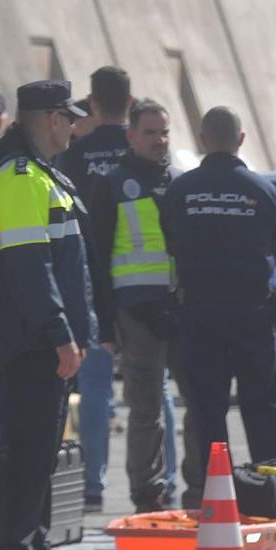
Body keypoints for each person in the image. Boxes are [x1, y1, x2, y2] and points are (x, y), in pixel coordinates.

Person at [0, 80, 97, 550]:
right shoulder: (21, 179)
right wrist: (60, 333)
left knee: (41, 450)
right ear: (49, 119)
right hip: (32, 339)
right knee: (26, 450)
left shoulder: (42, 176)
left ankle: (36, 549)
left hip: (41, 338)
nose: (74, 126)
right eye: (68, 117)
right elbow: (31, 268)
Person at [160, 106, 276, 504]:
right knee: (263, 409)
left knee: (207, 413)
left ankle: (216, 499)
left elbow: (171, 243)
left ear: (202, 140)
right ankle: (273, 496)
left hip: (199, 315)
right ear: (241, 140)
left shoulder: (181, 191)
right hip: (252, 316)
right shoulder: (263, 190)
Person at [87, 99, 182, 512]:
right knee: (145, 409)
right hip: (136, 311)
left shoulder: (180, 182)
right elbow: (98, 260)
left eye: (164, 132)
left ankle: (189, 490)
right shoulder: (112, 184)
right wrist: (107, 327)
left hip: (179, 308)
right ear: (130, 136)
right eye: (150, 132)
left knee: (184, 406)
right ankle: (147, 493)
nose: (159, 140)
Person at [60, 66, 134, 511]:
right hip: (141, 286)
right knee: (151, 386)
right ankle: (158, 480)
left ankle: (93, 486)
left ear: (93, 102)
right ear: (129, 100)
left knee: (94, 387)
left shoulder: (75, 154)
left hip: (88, 280)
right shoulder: (142, 147)